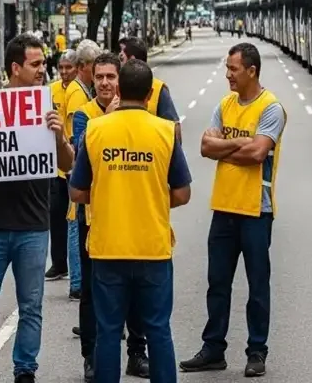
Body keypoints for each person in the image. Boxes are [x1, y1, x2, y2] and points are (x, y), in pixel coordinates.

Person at [0, 33, 73, 383]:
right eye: (35, 64)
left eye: (43, 64)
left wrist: (59, 137)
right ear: (14, 68)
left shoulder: (47, 107)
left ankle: (25, 371)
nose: (43, 70)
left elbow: (68, 164)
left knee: (31, 308)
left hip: (34, 227)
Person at [71, 58, 191, 383]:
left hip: (108, 249)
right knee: (158, 330)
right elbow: (182, 194)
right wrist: (150, 197)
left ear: (119, 90)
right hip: (153, 248)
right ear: (151, 93)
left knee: (108, 331)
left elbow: (77, 192)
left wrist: (110, 191)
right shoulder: (165, 132)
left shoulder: (96, 130)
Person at [180, 43, 286, 378]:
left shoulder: (271, 108)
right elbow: (204, 146)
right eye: (227, 68)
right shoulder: (225, 105)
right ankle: (213, 349)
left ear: (251, 71)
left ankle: (257, 351)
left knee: (257, 286)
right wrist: (240, 144)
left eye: (233, 69)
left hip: (256, 209)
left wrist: (224, 148)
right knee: (217, 284)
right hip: (223, 208)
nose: (228, 75)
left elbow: (258, 154)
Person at [70, 52, 149, 379]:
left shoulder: (138, 112)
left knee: (136, 289)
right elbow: (81, 161)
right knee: (91, 290)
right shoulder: (83, 115)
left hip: (133, 212)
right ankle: (91, 356)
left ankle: (136, 352)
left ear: (120, 81)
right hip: (94, 216)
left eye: (110, 77)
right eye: (99, 77)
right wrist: (109, 122)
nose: (104, 83)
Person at [48, 50, 78, 295]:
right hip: (55, 166)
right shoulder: (52, 90)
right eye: (62, 67)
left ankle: (75, 272)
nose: (65, 72)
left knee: (73, 219)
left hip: (73, 161)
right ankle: (59, 263)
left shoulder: (78, 92)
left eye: (69, 67)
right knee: (55, 216)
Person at [117, 38, 181, 135]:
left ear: (132, 60)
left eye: (121, 58)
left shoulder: (158, 89)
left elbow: (174, 127)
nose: (119, 64)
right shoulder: (112, 85)